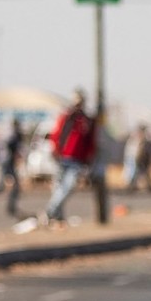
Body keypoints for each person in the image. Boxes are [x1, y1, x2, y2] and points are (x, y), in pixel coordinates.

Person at [41, 88, 97, 226]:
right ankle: (57, 217)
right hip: (62, 158)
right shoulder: (66, 117)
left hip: (77, 161)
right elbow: (56, 134)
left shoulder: (87, 121)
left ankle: (49, 211)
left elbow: (91, 142)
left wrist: (89, 158)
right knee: (58, 188)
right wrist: (55, 150)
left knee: (68, 187)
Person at [123, 124, 151, 194]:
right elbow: (135, 151)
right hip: (137, 159)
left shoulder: (143, 139)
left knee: (143, 174)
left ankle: (150, 188)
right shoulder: (136, 139)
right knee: (136, 174)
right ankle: (132, 188)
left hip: (142, 159)